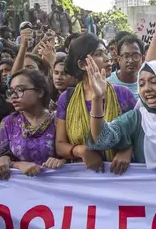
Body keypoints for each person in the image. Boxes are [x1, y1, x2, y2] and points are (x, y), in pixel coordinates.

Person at [86, 59, 156, 177]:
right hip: (148, 192)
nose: (146, 89)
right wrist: (97, 99)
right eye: (141, 84)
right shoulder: (136, 118)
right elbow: (101, 139)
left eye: (154, 81)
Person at [55, 33, 136, 173]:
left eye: (106, 53)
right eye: (99, 54)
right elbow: (60, 145)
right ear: (82, 64)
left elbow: (139, 133)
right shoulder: (67, 98)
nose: (108, 59)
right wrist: (81, 151)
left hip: (119, 174)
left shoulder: (123, 94)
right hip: (83, 178)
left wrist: (127, 150)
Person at [0, 70, 63, 180]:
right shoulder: (8, 123)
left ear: (40, 92)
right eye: (11, 91)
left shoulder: (58, 121)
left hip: (57, 185)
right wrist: (19, 165)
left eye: (20, 90)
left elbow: (71, 156)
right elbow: (3, 161)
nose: (14, 96)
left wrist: (61, 161)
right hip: (22, 189)